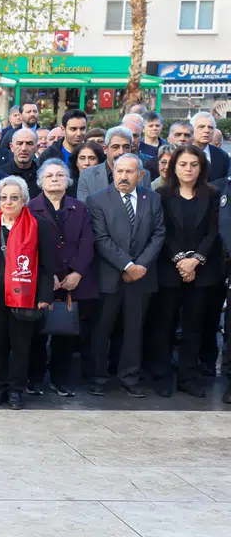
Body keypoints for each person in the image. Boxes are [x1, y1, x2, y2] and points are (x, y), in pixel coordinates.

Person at [0, 177, 56, 409]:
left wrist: (45, 296)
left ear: (24, 200)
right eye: (3, 197)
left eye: (14, 197)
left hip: (25, 297)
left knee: (21, 346)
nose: (8, 202)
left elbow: (49, 265)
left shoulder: (40, 225)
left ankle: (17, 390)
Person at [86, 153, 164, 398]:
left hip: (142, 277)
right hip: (109, 276)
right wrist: (127, 265)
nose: (123, 176)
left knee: (134, 330)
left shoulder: (152, 198)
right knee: (102, 328)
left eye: (129, 172)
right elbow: (100, 238)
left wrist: (140, 266)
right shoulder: (97, 200)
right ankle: (98, 376)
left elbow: (159, 234)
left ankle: (129, 377)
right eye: (119, 171)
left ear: (140, 175)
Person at [150, 146, 220, 398]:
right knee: (164, 325)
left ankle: (188, 377)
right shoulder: (161, 194)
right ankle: (162, 376)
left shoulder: (212, 194)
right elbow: (162, 231)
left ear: (201, 168)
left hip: (203, 272)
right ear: (173, 167)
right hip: (169, 270)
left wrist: (195, 261)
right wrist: (180, 260)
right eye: (182, 164)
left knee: (194, 327)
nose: (188, 169)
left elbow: (214, 232)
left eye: (193, 164)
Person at [26, 160, 96, 398]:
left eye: (59, 175)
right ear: (40, 182)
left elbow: (88, 241)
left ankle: (61, 380)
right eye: (49, 176)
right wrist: (49, 275)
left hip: (73, 281)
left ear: (68, 180)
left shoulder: (80, 207)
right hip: (41, 280)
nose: (54, 179)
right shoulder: (30, 208)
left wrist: (77, 272)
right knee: (37, 332)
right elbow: (28, 246)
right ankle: (34, 379)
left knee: (65, 333)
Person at [78, 126, 152, 199]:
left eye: (126, 147)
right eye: (115, 147)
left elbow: (147, 206)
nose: (121, 152)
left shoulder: (143, 175)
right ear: (105, 149)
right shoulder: (87, 176)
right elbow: (84, 208)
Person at [192, 111, 230, 180]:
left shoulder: (222, 156)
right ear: (192, 130)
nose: (206, 130)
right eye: (201, 127)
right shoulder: (182, 153)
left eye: (210, 127)